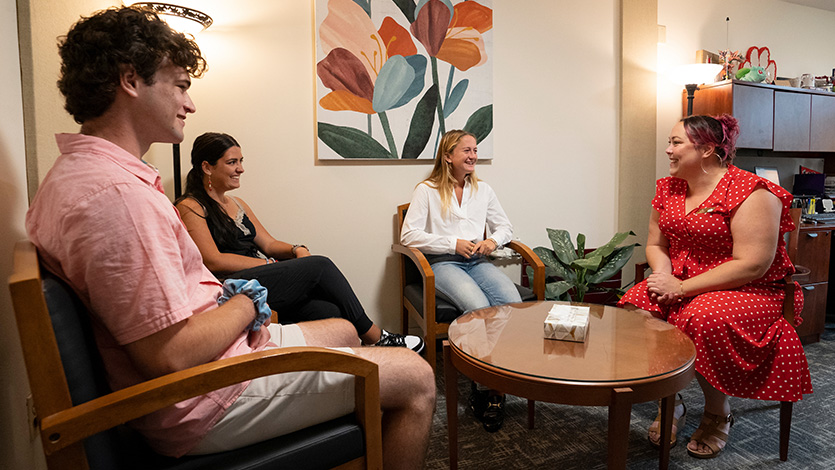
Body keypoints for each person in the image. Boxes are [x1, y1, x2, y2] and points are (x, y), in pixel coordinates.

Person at [25, 7, 434, 469]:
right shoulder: (116, 196)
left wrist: (247, 300)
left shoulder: (91, 176)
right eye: (180, 86)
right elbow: (171, 355)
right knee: (416, 376)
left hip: (219, 360)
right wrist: (245, 302)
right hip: (204, 399)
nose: (190, 104)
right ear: (130, 80)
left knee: (342, 328)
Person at [618, 114, 813, 459]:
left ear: (707, 149)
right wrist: (663, 277)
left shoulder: (752, 191)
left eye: (676, 143)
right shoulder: (668, 187)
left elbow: (752, 264)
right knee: (636, 306)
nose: (668, 150)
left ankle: (717, 411)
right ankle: (670, 399)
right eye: (669, 142)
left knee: (702, 316)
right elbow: (656, 244)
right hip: (680, 279)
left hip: (747, 288)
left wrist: (681, 289)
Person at [175, 132, 424, 353]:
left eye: (241, 161)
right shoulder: (191, 206)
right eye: (232, 162)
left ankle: (345, 373)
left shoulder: (238, 203)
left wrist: (297, 250)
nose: (240, 169)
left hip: (263, 277)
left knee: (330, 313)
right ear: (207, 167)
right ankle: (377, 337)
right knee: (320, 265)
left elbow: (269, 244)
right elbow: (213, 260)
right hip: (236, 287)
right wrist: (269, 265)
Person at [400, 129, 521, 432]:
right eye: (466, 150)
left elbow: (505, 227)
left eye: (475, 150)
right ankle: (487, 390)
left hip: (477, 262)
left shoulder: (483, 190)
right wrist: (452, 244)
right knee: (478, 309)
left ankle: (498, 382)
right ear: (447, 156)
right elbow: (409, 235)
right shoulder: (426, 190)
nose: (473, 156)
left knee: (512, 304)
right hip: (443, 264)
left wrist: (491, 241)